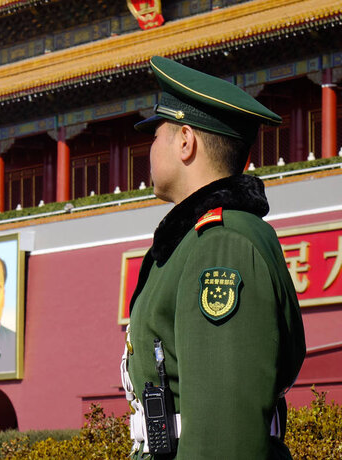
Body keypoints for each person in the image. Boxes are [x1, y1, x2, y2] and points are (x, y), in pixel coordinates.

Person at [121, 56, 306, 459]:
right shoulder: (191, 241)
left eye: (156, 134)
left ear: (186, 141)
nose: (148, 148)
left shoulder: (221, 246)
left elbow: (225, 435)